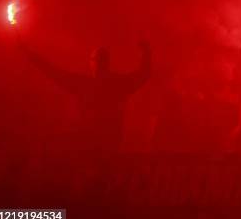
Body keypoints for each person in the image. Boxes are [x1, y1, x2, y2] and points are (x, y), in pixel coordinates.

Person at [19, 40, 151, 153]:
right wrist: (146, 51)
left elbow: (142, 74)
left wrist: (146, 51)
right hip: (98, 138)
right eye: (96, 60)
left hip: (101, 139)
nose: (98, 64)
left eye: (100, 60)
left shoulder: (106, 85)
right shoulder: (113, 84)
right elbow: (55, 73)